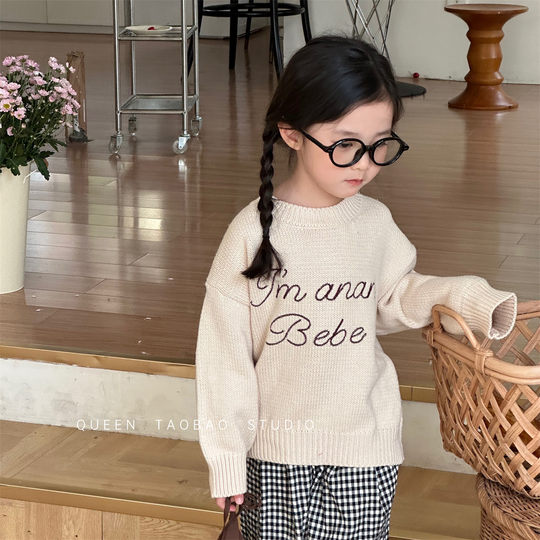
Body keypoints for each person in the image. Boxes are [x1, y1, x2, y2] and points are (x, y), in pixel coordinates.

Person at [195, 34, 517, 539]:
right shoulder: (250, 234)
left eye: (379, 144)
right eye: (345, 145)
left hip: (365, 452)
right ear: (292, 133)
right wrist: (227, 459)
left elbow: (391, 296)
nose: (365, 163)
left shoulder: (374, 222)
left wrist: (466, 297)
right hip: (274, 457)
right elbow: (224, 361)